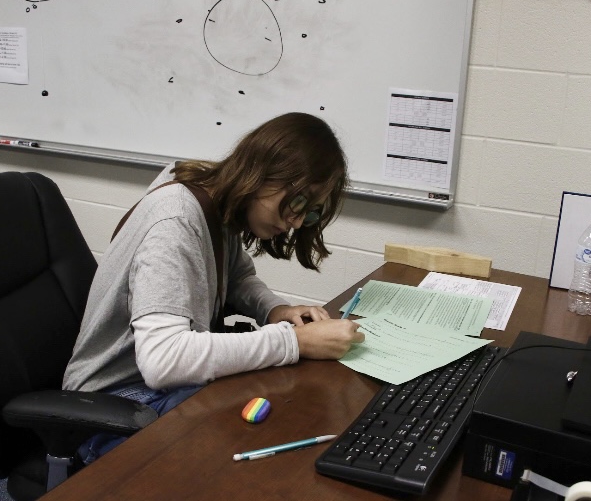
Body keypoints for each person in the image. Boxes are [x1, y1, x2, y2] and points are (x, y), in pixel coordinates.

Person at [63, 112, 365, 463]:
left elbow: (237, 278)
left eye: (310, 213)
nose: (297, 221)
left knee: (279, 412)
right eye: (297, 203)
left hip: (159, 389)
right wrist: (294, 342)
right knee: (259, 456)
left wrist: (276, 311)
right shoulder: (175, 222)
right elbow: (164, 360)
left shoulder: (216, 201)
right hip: (115, 405)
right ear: (264, 172)